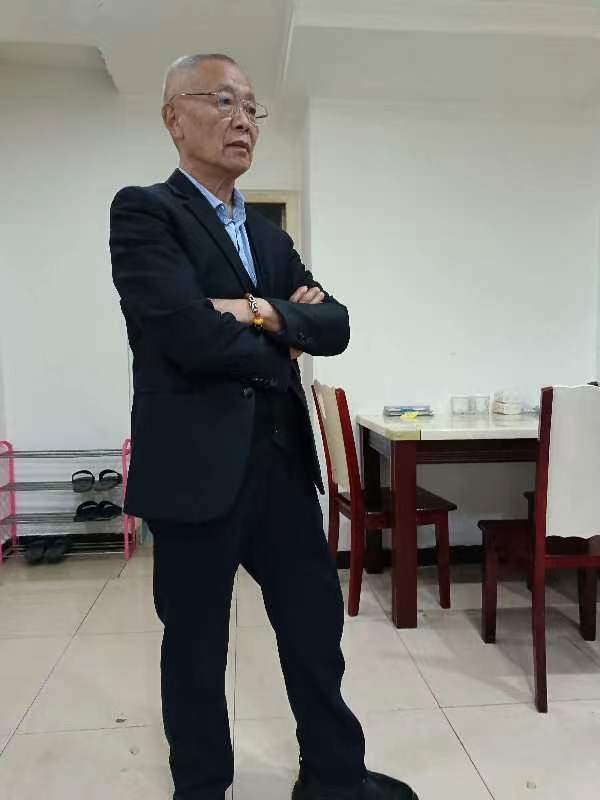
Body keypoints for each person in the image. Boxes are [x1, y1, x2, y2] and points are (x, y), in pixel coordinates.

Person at [110, 52, 417, 800]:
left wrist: (252, 310)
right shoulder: (146, 212)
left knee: (314, 630)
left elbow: (335, 325)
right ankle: (202, 789)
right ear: (174, 118)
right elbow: (185, 333)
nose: (243, 119)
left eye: (251, 107)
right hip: (193, 472)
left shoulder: (270, 237)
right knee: (195, 650)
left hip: (281, 465)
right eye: (223, 101)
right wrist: (286, 329)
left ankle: (334, 777)